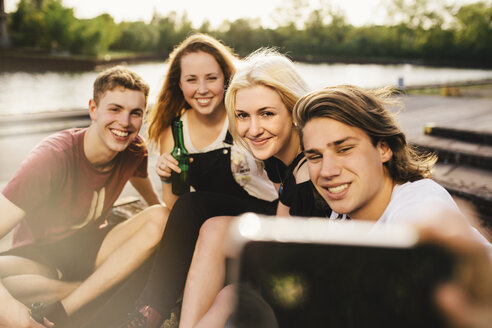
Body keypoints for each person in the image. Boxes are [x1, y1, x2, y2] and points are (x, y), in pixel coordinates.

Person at [119, 35, 279, 328]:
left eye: (211, 78)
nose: (202, 89)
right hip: (211, 224)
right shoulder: (175, 131)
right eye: (191, 79)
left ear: (226, 79)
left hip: (267, 213)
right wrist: (166, 177)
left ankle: (150, 311)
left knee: (197, 204)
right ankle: (143, 312)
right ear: (179, 84)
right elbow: (176, 208)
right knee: (188, 213)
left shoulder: (244, 116)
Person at [0, 66, 169, 328]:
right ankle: (91, 289)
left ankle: (63, 309)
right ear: (93, 109)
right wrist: (10, 310)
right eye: (114, 109)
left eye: (135, 113)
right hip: (38, 258)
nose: (125, 122)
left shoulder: (134, 151)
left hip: (90, 247)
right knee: (7, 281)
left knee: (160, 217)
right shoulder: (52, 158)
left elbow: (155, 204)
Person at [177, 49, 335, 328]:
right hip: (292, 259)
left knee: (230, 296)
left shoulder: (312, 174)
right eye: (242, 115)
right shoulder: (276, 160)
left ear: (294, 109)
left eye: (267, 114)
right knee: (213, 229)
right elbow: (280, 226)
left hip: (315, 288)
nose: (253, 129)